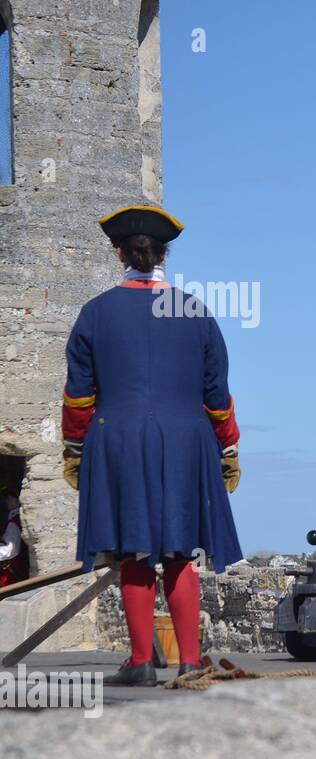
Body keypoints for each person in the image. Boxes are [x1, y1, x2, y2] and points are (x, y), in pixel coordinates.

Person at [62, 205, 243, 686]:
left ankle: (140, 662)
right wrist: (228, 449)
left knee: (134, 550)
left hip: (116, 441)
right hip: (187, 442)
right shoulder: (198, 313)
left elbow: (79, 396)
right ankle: (190, 661)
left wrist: (74, 451)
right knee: (180, 551)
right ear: (165, 253)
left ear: (118, 251)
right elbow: (217, 397)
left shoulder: (93, 314)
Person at [0, 485, 28, 588]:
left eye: (8, 498)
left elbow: (10, 550)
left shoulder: (14, 523)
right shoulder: (14, 520)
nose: (6, 501)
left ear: (17, 500)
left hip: (12, 574)